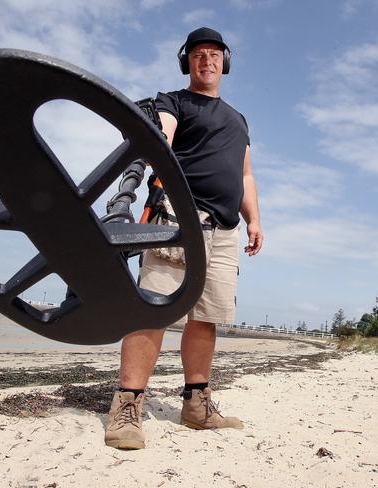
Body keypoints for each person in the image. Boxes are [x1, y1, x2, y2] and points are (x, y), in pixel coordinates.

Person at [105, 27, 263, 450]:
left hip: (226, 229)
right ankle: (127, 406)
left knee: (206, 318)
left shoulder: (239, 119)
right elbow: (163, 135)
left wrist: (254, 221)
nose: (206, 60)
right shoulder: (172, 101)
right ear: (186, 61)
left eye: (214, 54)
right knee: (154, 310)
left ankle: (196, 405)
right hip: (177, 216)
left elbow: (246, 174)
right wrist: (156, 141)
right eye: (198, 54)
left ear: (224, 62)